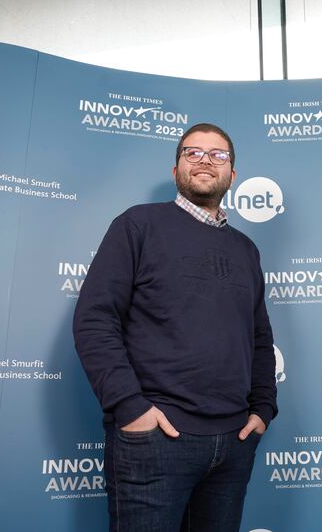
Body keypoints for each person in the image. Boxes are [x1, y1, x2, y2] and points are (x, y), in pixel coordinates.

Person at [73, 123, 277, 532]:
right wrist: (131, 408)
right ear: (176, 169)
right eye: (192, 152)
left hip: (233, 442)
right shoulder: (137, 226)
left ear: (232, 175)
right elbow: (95, 319)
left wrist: (263, 409)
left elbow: (258, 338)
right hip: (156, 440)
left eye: (218, 155)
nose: (205, 160)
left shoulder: (245, 249)